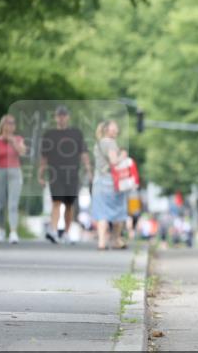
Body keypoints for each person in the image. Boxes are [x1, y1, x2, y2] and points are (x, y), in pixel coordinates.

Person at [38, 106, 91, 244]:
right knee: (56, 202)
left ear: (68, 117)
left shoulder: (76, 133)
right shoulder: (49, 134)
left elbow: (84, 153)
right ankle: (54, 231)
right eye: (59, 115)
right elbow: (44, 157)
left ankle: (66, 233)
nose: (61, 118)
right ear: (55, 117)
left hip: (72, 174)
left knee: (69, 204)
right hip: (55, 174)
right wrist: (41, 175)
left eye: (64, 115)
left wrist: (88, 169)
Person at [90, 119, 129, 250]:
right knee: (117, 211)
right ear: (108, 130)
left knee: (102, 213)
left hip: (98, 182)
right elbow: (114, 162)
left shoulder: (98, 143)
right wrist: (123, 155)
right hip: (112, 182)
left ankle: (101, 242)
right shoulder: (111, 143)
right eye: (114, 128)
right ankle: (116, 240)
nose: (117, 130)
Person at [0, 114, 26, 243]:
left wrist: (12, 141)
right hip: (0, 172)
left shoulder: (18, 139)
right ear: (3, 125)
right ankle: (1, 229)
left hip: (15, 172)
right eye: (8, 123)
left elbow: (22, 152)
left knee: (13, 204)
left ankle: (13, 232)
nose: (10, 126)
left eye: (13, 123)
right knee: (1, 204)